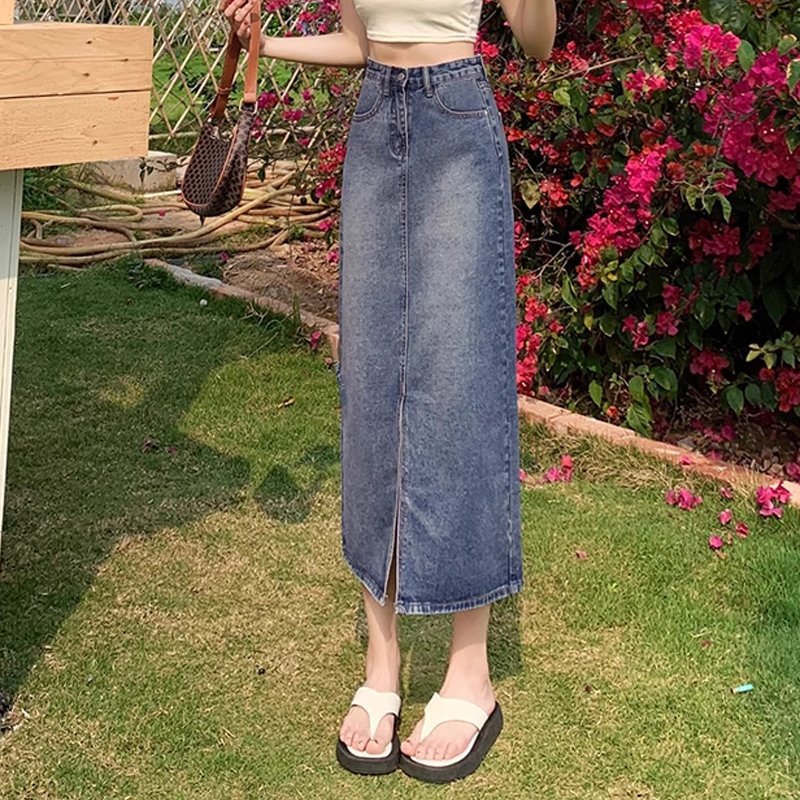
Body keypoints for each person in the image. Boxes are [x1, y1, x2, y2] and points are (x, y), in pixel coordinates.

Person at [222, 0, 557, 783]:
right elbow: (359, 40)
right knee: (371, 385)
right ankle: (382, 664)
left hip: (456, 116)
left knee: (461, 384)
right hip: (376, 122)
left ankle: (470, 674)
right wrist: (267, 42)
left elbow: (538, 42)